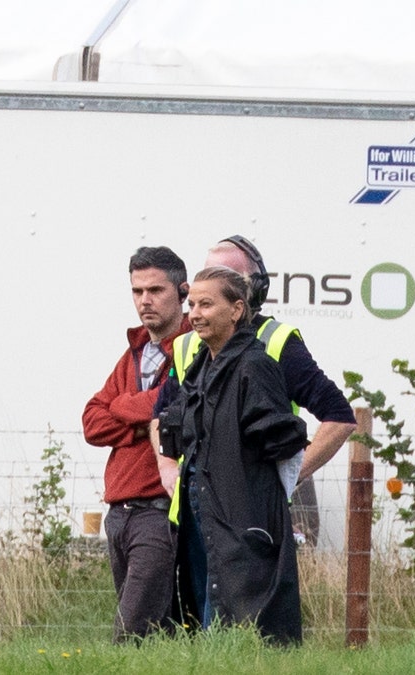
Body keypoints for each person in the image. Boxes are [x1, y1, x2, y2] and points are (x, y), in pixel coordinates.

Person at [155, 236, 356, 543]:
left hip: (250, 522)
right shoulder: (186, 346)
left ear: (249, 292)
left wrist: (290, 477)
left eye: (221, 278)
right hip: (191, 517)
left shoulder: (276, 342)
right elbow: (160, 416)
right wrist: (167, 467)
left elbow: (339, 418)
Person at [162, 266, 308, 644]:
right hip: (199, 513)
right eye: (192, 304)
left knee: (238, 624)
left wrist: (262, 508)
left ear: (237, 309)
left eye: (207, 304)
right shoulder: (201, 364)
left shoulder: (255, 366)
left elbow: (284, 446)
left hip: (240, 516)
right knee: (204, 616)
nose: (194, 313)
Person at [82, 246, 191, 642]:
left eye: (155, 290)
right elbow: (92, 422)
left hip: (160, 509)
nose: (145, 300)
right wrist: (142, 423)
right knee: (158, 632)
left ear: (183, 292)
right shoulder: (134, 351)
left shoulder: (193, 348)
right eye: (137, 291)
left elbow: (174, 407)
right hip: (119, 510)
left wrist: (126, 407)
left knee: (129, 632)